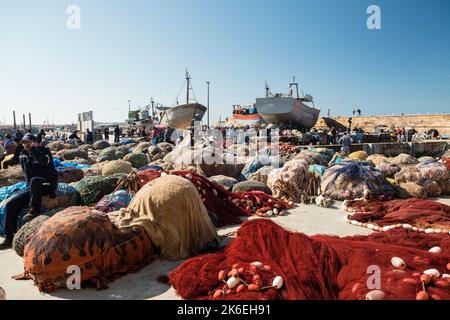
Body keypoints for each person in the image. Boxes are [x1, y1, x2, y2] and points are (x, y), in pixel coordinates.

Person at [0, 134, 58, 249]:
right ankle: (9, 238)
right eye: (24, 143)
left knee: (35, 181)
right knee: (11, 204)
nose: (26, 144)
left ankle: (34, 209)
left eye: (29, 142)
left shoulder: (44, 151)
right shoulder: (23, 154)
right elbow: (27, 174)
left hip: (47, 183)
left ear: (35, 142)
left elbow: (43, 162)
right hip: (32, 187)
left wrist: (34, 150)